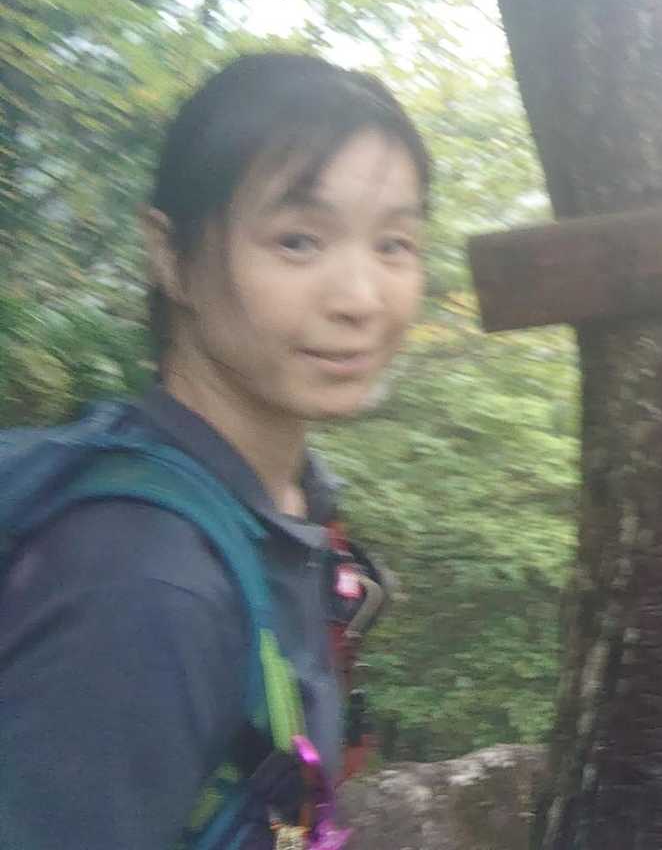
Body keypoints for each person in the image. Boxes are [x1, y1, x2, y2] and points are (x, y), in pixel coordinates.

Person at [0, 53, 428, 848]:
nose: (362, 299)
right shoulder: (144, 584)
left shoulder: (277, 507)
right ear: (171, 256)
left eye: (395, 244)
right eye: (297, 241)